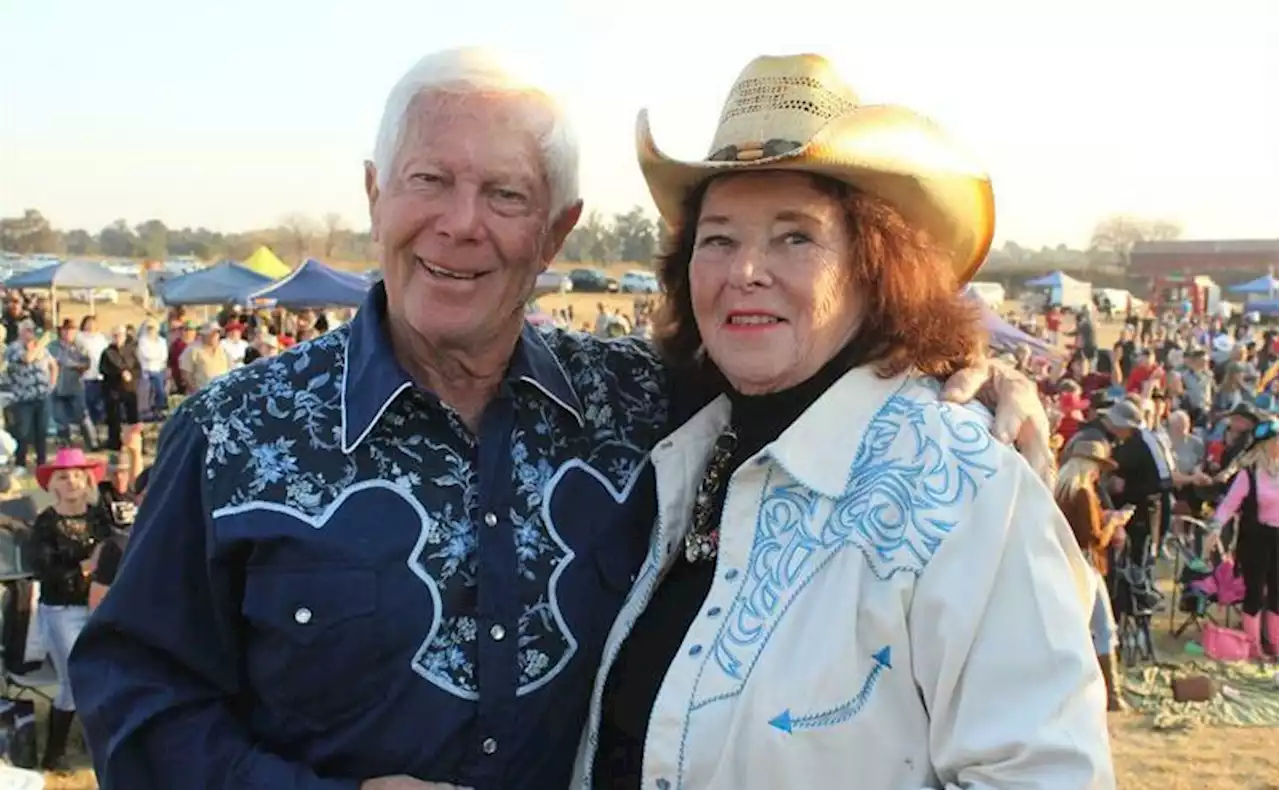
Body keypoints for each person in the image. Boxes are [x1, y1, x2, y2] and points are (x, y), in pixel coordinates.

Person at [69, 47, 1048, 790]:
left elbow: (805, 349)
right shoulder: (235, 431)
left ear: (557, 231)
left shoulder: (652, 404)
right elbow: (133, 694)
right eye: (428, 181)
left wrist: (937, 367)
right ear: (375, 194)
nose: (461, 223)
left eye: (505, 194)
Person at [574, 53, 1109, 789]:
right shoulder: (679, 439)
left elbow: (1040, 775)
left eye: (795, 236)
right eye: (719, 238)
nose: (746, 271)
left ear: (873, 267)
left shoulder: (966, 488)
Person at [28, 448, 110, 771]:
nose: (73, 481)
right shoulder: (46, 523)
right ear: (54, 486)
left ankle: (97, 746)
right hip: (62, 611)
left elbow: (115, 553)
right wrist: (85, 569)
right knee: (74, 681)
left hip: (101, 608)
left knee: (104, 676)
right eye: (64, 476)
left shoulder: (98, 516)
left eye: (78, 474)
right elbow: (43, 568)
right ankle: (54, 754)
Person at [1055, 439, 1130, 711]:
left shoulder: (1061, 489)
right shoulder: (1083, 492)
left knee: (1077, 629)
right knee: (1104, 627)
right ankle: (1112, 695)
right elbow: (1094, 539)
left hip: (1065, 563)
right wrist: (1113, 523)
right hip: (1087, 565)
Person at [1208, 419, 1280, 658]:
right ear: (1266, 445)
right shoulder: (1248, 476)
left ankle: (1276, 645)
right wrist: (1215, 528)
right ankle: (1254, 646)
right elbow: (1228, 505)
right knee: (1255, 593)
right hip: (1255, 540)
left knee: (1278, 593)